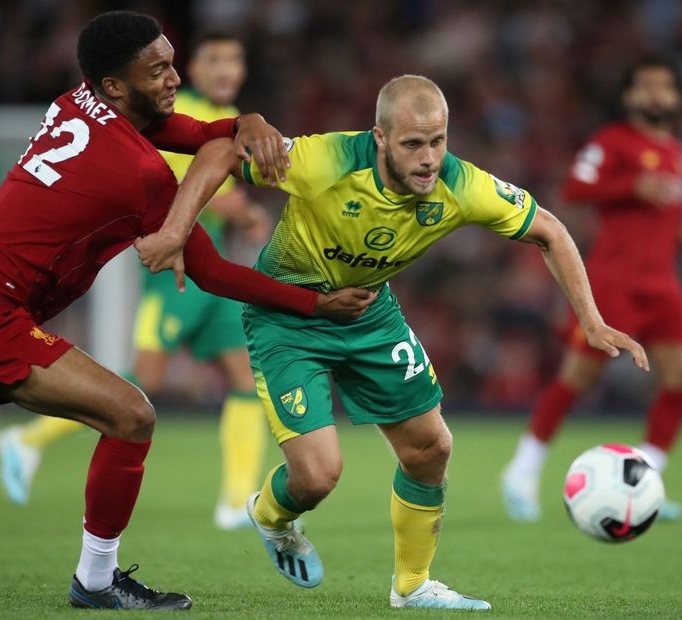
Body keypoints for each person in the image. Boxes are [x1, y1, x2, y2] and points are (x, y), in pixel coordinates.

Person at [0, 11, 374, 608]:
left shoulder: (78, 101)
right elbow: (212, 270)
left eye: (173, 61)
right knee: (132, 415)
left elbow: (189, 132)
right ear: (116, 87)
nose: (175, 77)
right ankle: (96, 581)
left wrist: (246, 120)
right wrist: (316, 304)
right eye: (158, 71)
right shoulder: (139, 174)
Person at [136, 74, 649, 611]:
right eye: (412, 144)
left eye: (438, 141)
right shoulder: (323, 160)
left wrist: (591, 321)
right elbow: (219, 150)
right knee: (316, 477)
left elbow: (551, 230)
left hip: (368, 316)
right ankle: (271, 516)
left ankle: (413, 584)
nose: (429, 159)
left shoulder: (462, 184)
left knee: (431, 448)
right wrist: (176, 230)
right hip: (288, 318)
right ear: (380, 138)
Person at [0, 31, 271, 530]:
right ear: (196, 68)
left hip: (212, 268)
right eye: (214, 60)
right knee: (146, 381)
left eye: (235, 59)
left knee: (245, 377)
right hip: (175, 272)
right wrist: (243, 209)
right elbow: (175, 187)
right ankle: (29, 439)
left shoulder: (215, 114)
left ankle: (235, 501)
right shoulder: (169, 108)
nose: (226, 69)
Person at [501, 56, 682, 523]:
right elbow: (575, 187)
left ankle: (645, 480)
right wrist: (635, 184)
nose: (657, 95)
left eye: (665, 87)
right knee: (578, 378)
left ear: (675, 97)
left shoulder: (675, 149)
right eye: (647, 87)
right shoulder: (611, 142)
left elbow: (656, 216)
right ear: (630, 96)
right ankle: (521, 471)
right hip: (616, 281)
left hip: (662, 281)